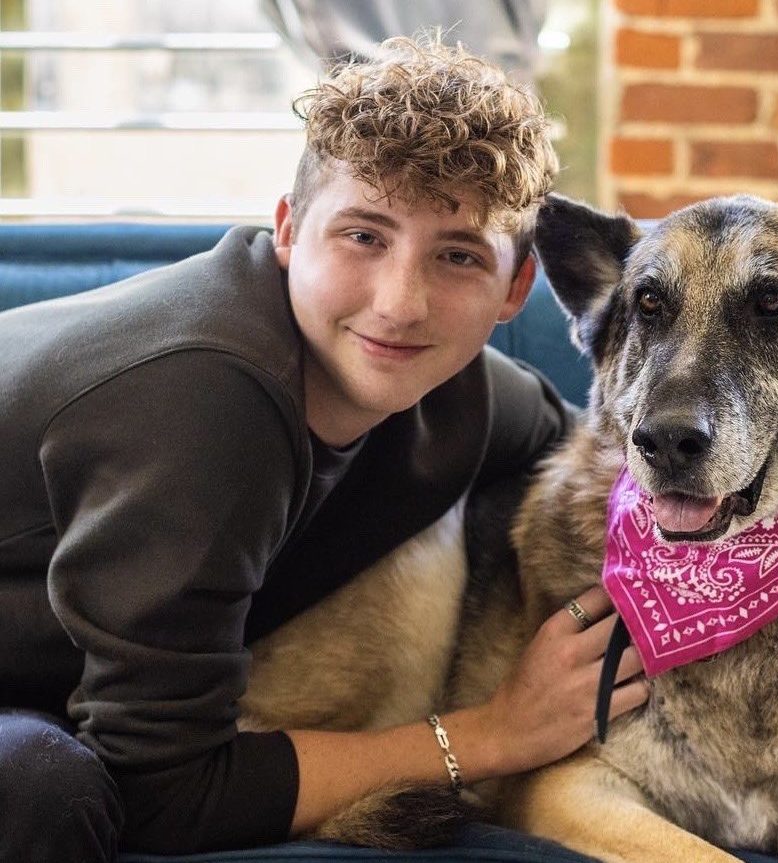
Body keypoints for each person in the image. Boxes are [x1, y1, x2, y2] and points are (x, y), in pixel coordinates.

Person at [0, 35, 648, 862]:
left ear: (514, 289)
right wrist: (490, 734)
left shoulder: (465, 395)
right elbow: (164, 792)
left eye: (456, 255)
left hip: (65, 691)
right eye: (363, 236)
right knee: (37, 791)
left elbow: (601, 472)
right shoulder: (206, 399)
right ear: (287, 230)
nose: (400, 304)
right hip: (42, 728)